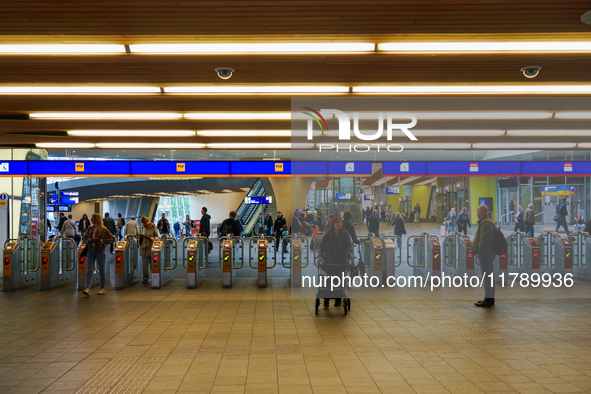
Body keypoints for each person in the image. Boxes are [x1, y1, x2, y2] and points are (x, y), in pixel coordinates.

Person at [317, 216, 353, 309]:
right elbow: (322, 245)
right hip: (329, 261)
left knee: (339, 280)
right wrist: (320, 255)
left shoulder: (345, 234)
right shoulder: (328, 234)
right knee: (329, 280)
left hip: (341, 261)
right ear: (333, 224)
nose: (339, 224)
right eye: (337, 222)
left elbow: (349, 246)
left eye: (340, 223)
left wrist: (348, 257)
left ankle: (338, 300)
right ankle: (326, 300)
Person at [81, 213, 116, 296]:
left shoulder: (103, 229)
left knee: (102, 270)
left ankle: (102, 288)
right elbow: (84, 239)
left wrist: (102, 241)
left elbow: (112, 239)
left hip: (100, 251)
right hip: (90, 250)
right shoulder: (90, 228)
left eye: (92, 218)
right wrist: (91, 239)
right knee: (89, 270)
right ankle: (87, 288)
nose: (91, 220)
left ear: (96, 219)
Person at [472, 205, 496, 308]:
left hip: (485, 254)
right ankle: (490, 299)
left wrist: (479, 251)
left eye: (477, 212)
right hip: (489, 253)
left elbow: (483, 240)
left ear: (481, 212)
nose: (477, 214)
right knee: (489, 277)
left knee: (487, 277)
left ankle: (488, 300)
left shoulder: (485, 224)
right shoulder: (487, 222)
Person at [139, 215, 159, 283]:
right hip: (143, 248)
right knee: (144, 265)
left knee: (153, 264)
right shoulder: (142, 227)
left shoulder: (153, 227)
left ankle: (155, 277)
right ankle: (145, 278)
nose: (144, 224)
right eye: (143, 223)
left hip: (151, 248)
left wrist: (152, 238)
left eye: (144, 223)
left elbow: (157, 237)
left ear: (147, 221)